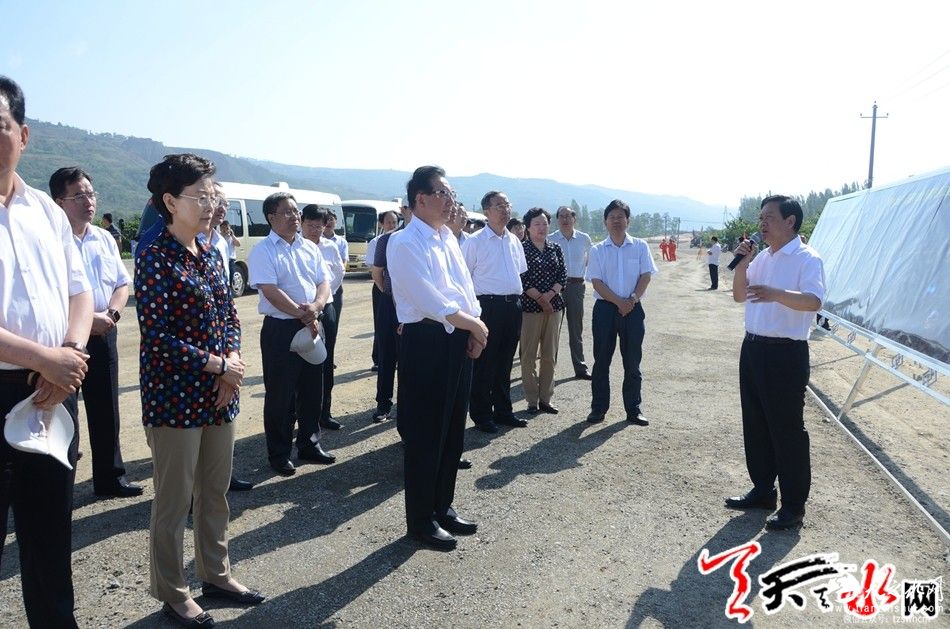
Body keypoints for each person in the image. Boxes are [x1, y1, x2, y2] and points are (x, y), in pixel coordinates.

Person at [136, 153, 264, 627]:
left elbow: (229, 316)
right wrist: (219, 367)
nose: (211, 205)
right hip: (174, 397)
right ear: (170, 202)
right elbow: (158, 336)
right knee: (174, 501)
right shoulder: (154, 257)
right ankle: (173, 592)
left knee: (215, 491)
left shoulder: (210, 253)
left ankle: (217, 573)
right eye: (200, 196)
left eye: (213, 195)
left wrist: (230, 365)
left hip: (219, 394)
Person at [0, 76, 92, 628]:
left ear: (23, 135)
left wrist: (70, 356)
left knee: (49, 537)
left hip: (54, 390)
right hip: (21, 380)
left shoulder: (47, 212)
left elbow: (79, 292)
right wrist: (46, 360)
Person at [388, 165, 487, 550]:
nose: (450, 202)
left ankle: (442, 506)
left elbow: (464, 288)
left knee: (451, 430)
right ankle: (421, 520)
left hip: (456, 336)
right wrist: (474, 325)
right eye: (443, 194)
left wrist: (474, 325)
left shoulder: (447, 237)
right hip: (427, 340)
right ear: (421, 199)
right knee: (426, 434)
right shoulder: (404, 242)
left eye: (452, 195)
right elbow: (430, 299)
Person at [726, 195, 825, 531]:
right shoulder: (762, 257)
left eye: (768, 217)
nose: (762, 223)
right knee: (755, 423)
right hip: (753, 348)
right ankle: (763, 490)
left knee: (787, 430)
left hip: (785, 353)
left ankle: (793, 505)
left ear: (790, 221)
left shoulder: (807, 258)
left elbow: (813, 301)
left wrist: (776, 294)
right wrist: (742, 264)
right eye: (761, 217)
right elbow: (739, 295)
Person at [49, 167, 142, 499]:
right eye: (79, 195)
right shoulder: (49, 240)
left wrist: (112, 314)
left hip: (104, 334)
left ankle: (110, 478)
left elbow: (121, 283)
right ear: (59, 201)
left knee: (106, 408)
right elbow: (50, 295)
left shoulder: (104, 238)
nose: (88, 201)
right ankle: (60, 487)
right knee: (63, 411)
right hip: (65, 339)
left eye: (91, 194)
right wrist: (90, 320)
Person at [249, 191, 336, 477]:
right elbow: (270, 291)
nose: (294, 216)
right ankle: (279, 453)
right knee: (281, 394)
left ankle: (310, 444)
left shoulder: (308, 247)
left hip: (312, 322)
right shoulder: (263, 250)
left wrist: (317, 307)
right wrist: (303, 314)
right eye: (287, 212)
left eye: (296, 211)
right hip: (282, 328)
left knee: (312, 389)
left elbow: (324, 282)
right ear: (271, 217)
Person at [198, 190, 254, 492]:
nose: (220, 208)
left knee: (221, 422)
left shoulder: (219, 242)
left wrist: (231, 361)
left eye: (223, 203)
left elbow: (228, 310)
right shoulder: (171, 247)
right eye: (214, 201)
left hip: (223, 351)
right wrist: (220, 367)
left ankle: (223, 475)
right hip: (198, 359)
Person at [585, 200, 658, 425]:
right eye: (612, 217)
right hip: (605, 310)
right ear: (605, 222)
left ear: (628, 220)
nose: (616, 221)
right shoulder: (597, 250)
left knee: (633, 362)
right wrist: (619, 302)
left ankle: (633, 409)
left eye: (620, 217)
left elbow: (646, 275)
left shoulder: (640, 246)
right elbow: (596, 282)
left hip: (633, 308)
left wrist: (632, 300)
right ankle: (598, 408)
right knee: (601, 361)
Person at [462, 191, 528, 433]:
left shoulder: (514, 241)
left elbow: (519, 272)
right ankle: (481, 415)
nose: (505, 209)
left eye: (507, 204)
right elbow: (464, 279)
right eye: (499, 205)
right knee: (485, 363)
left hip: (513, 306)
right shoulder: (475, 242)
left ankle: (503, 411)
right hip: (487, 306)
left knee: (505, 361)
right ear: (486, 211)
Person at [301, 205, 345, 431]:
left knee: (326, 359)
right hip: (301, 309)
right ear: (302, 223)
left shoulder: (330, 247)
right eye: (311, 225)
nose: (315, 230)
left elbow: (337, 274)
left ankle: (324, 412)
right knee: (302, 362)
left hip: (326, 306)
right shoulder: (295, 247)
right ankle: (301, 414)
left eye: (319, 226)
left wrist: (322, 298)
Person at [519, 208, 566, 415]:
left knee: (549, 354)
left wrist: (550, 295)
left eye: (545, 223)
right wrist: (540, 298)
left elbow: (562, 275)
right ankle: (531, 400)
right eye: (537, 224)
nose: (541, 227)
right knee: (528, 355)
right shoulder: (521, 249)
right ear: (528, 227)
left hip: (554, 308)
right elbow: (521, 278)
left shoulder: (555, 248)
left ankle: (546, 398)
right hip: (530, 309)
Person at [369, 203, 412, 423]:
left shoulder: (429, 238)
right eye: (409, 208)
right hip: (391, 304)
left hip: (416, 308)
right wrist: (389, 294)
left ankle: (407, 407)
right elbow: (377, 273)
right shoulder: (387, 240)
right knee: (387, 356)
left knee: (410, 359)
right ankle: (383, 405)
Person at [549, 205, 593, 379]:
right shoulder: (551, 239)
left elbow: (590, 259)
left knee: (576, 329)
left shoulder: (584, 238)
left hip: (576, 287)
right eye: (561, 216)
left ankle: (580, 367)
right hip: (555, 289)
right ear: (557, 220)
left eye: (568, 216)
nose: (565, 219)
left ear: (574, 219)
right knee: (553, 330)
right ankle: (549, 368)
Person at [367, 210, 399, 372]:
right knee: (381, 326)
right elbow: (375, 270)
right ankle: (378, 357)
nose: (392, 225)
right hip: (381, 287)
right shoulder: (377, 241)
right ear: (381, 224)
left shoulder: (399, 238)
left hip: (396, 290)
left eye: (394, 222)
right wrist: (385, 291)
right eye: (388, 222)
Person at [323, 211, 348, 319]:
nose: (329, 222)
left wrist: (338, 277)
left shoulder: (342, 242)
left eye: (331, 219)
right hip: (320, 284)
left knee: (334, 318)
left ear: (336, 222)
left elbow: (344, 262)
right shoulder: (315, 239)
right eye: (326, 219)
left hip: (336, 285)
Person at [220, 219, 241, 288]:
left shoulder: (231, 237)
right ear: (220, 228)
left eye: (227, 228)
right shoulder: (219, 237)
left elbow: (238, 244)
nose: (225, 230)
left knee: (231, 274)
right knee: (223, 276)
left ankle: (230, 288)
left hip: (231, 260)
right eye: (223, 228)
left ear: (230, 229)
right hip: (222, 259)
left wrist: (232, 235)